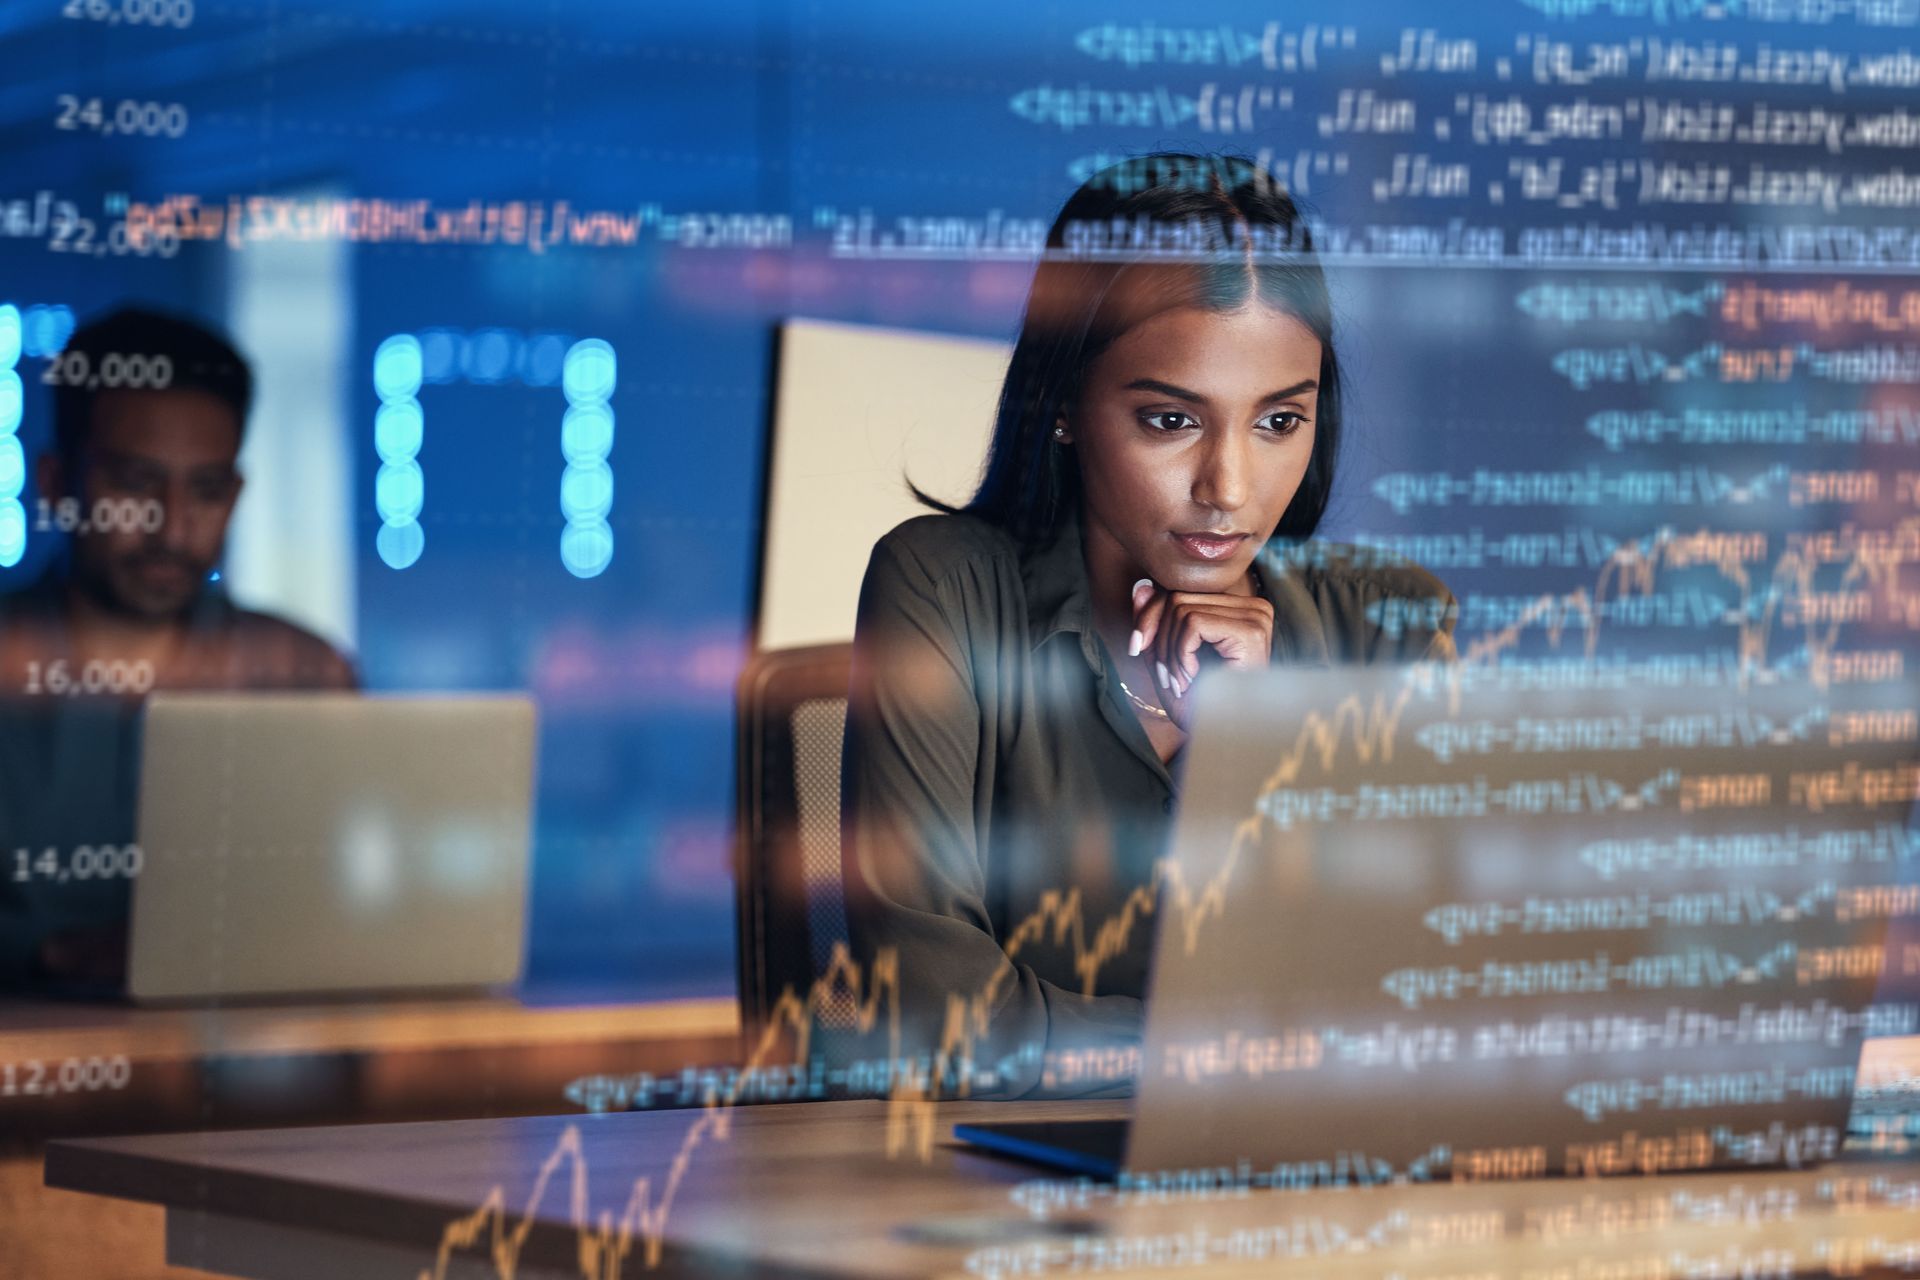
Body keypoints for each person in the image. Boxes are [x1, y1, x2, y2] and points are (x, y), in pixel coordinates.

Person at [836, 153, 1458, 1099]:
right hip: (999, 1205)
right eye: (1171, 420)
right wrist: (1241, 1050)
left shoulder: (1392, 628)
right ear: (1064, 407)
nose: (1231, 490)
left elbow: (1423, 1015)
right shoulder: (944, 589)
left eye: (1279, 422)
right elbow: (938, 1018)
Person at [0, 304, 357, 993]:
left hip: (268, 1089)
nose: (172, 527)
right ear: (53, 484)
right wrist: (59, 956)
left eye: (206, 490)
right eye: (134, 483)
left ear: (236, 494)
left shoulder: (305, 677)